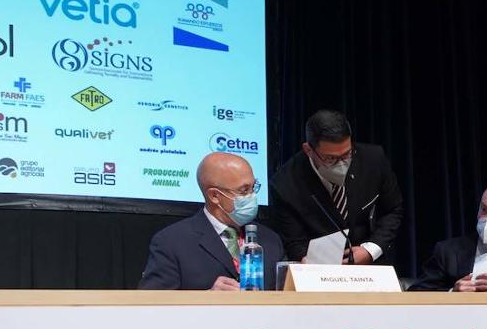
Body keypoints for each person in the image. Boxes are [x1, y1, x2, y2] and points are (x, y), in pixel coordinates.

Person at [270, 109, 404, 263]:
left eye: (346, 155)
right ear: (308, 150)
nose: (342, 165)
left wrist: (371, 249)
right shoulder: (285, 184)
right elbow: (294, 242)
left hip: (371, 263)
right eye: (330, 158)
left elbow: (393, 210)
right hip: (319, 271)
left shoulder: (373, 160)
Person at [140, 152, 285, 290]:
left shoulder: (270, 240)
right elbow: (152, 303)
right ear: (214, 195)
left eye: (253, 187)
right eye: (244, 190)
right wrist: (207, 297)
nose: (252, 196)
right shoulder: (172, 242)